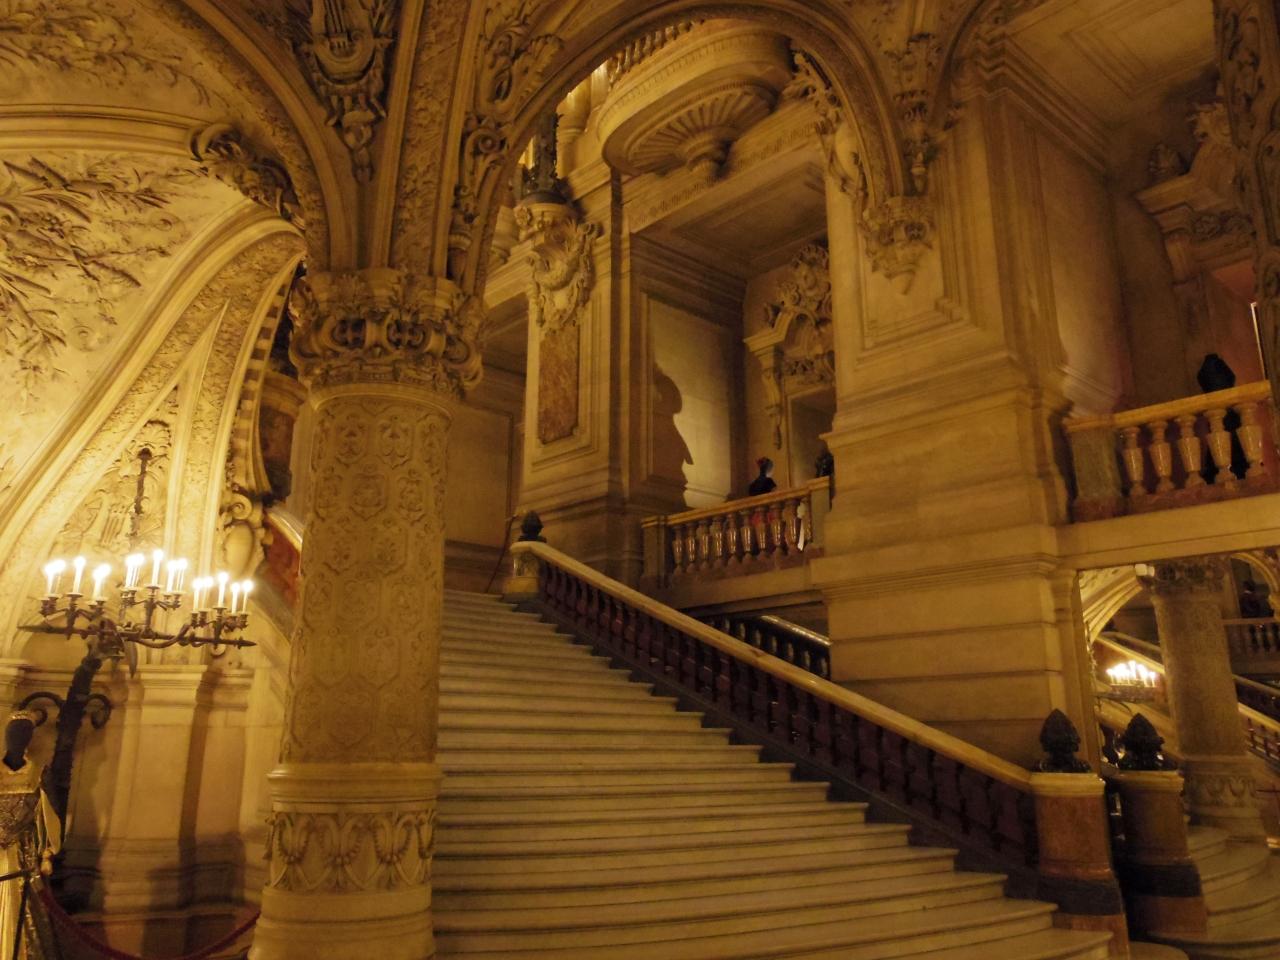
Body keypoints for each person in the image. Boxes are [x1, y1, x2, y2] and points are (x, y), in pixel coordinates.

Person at [0, 711, 60, 960]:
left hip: (22, 854)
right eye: (14, 733)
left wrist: (46, 853)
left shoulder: (38, 773)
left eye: (24, 734)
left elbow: (46, 816)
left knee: (26, 910)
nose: (18, 739)